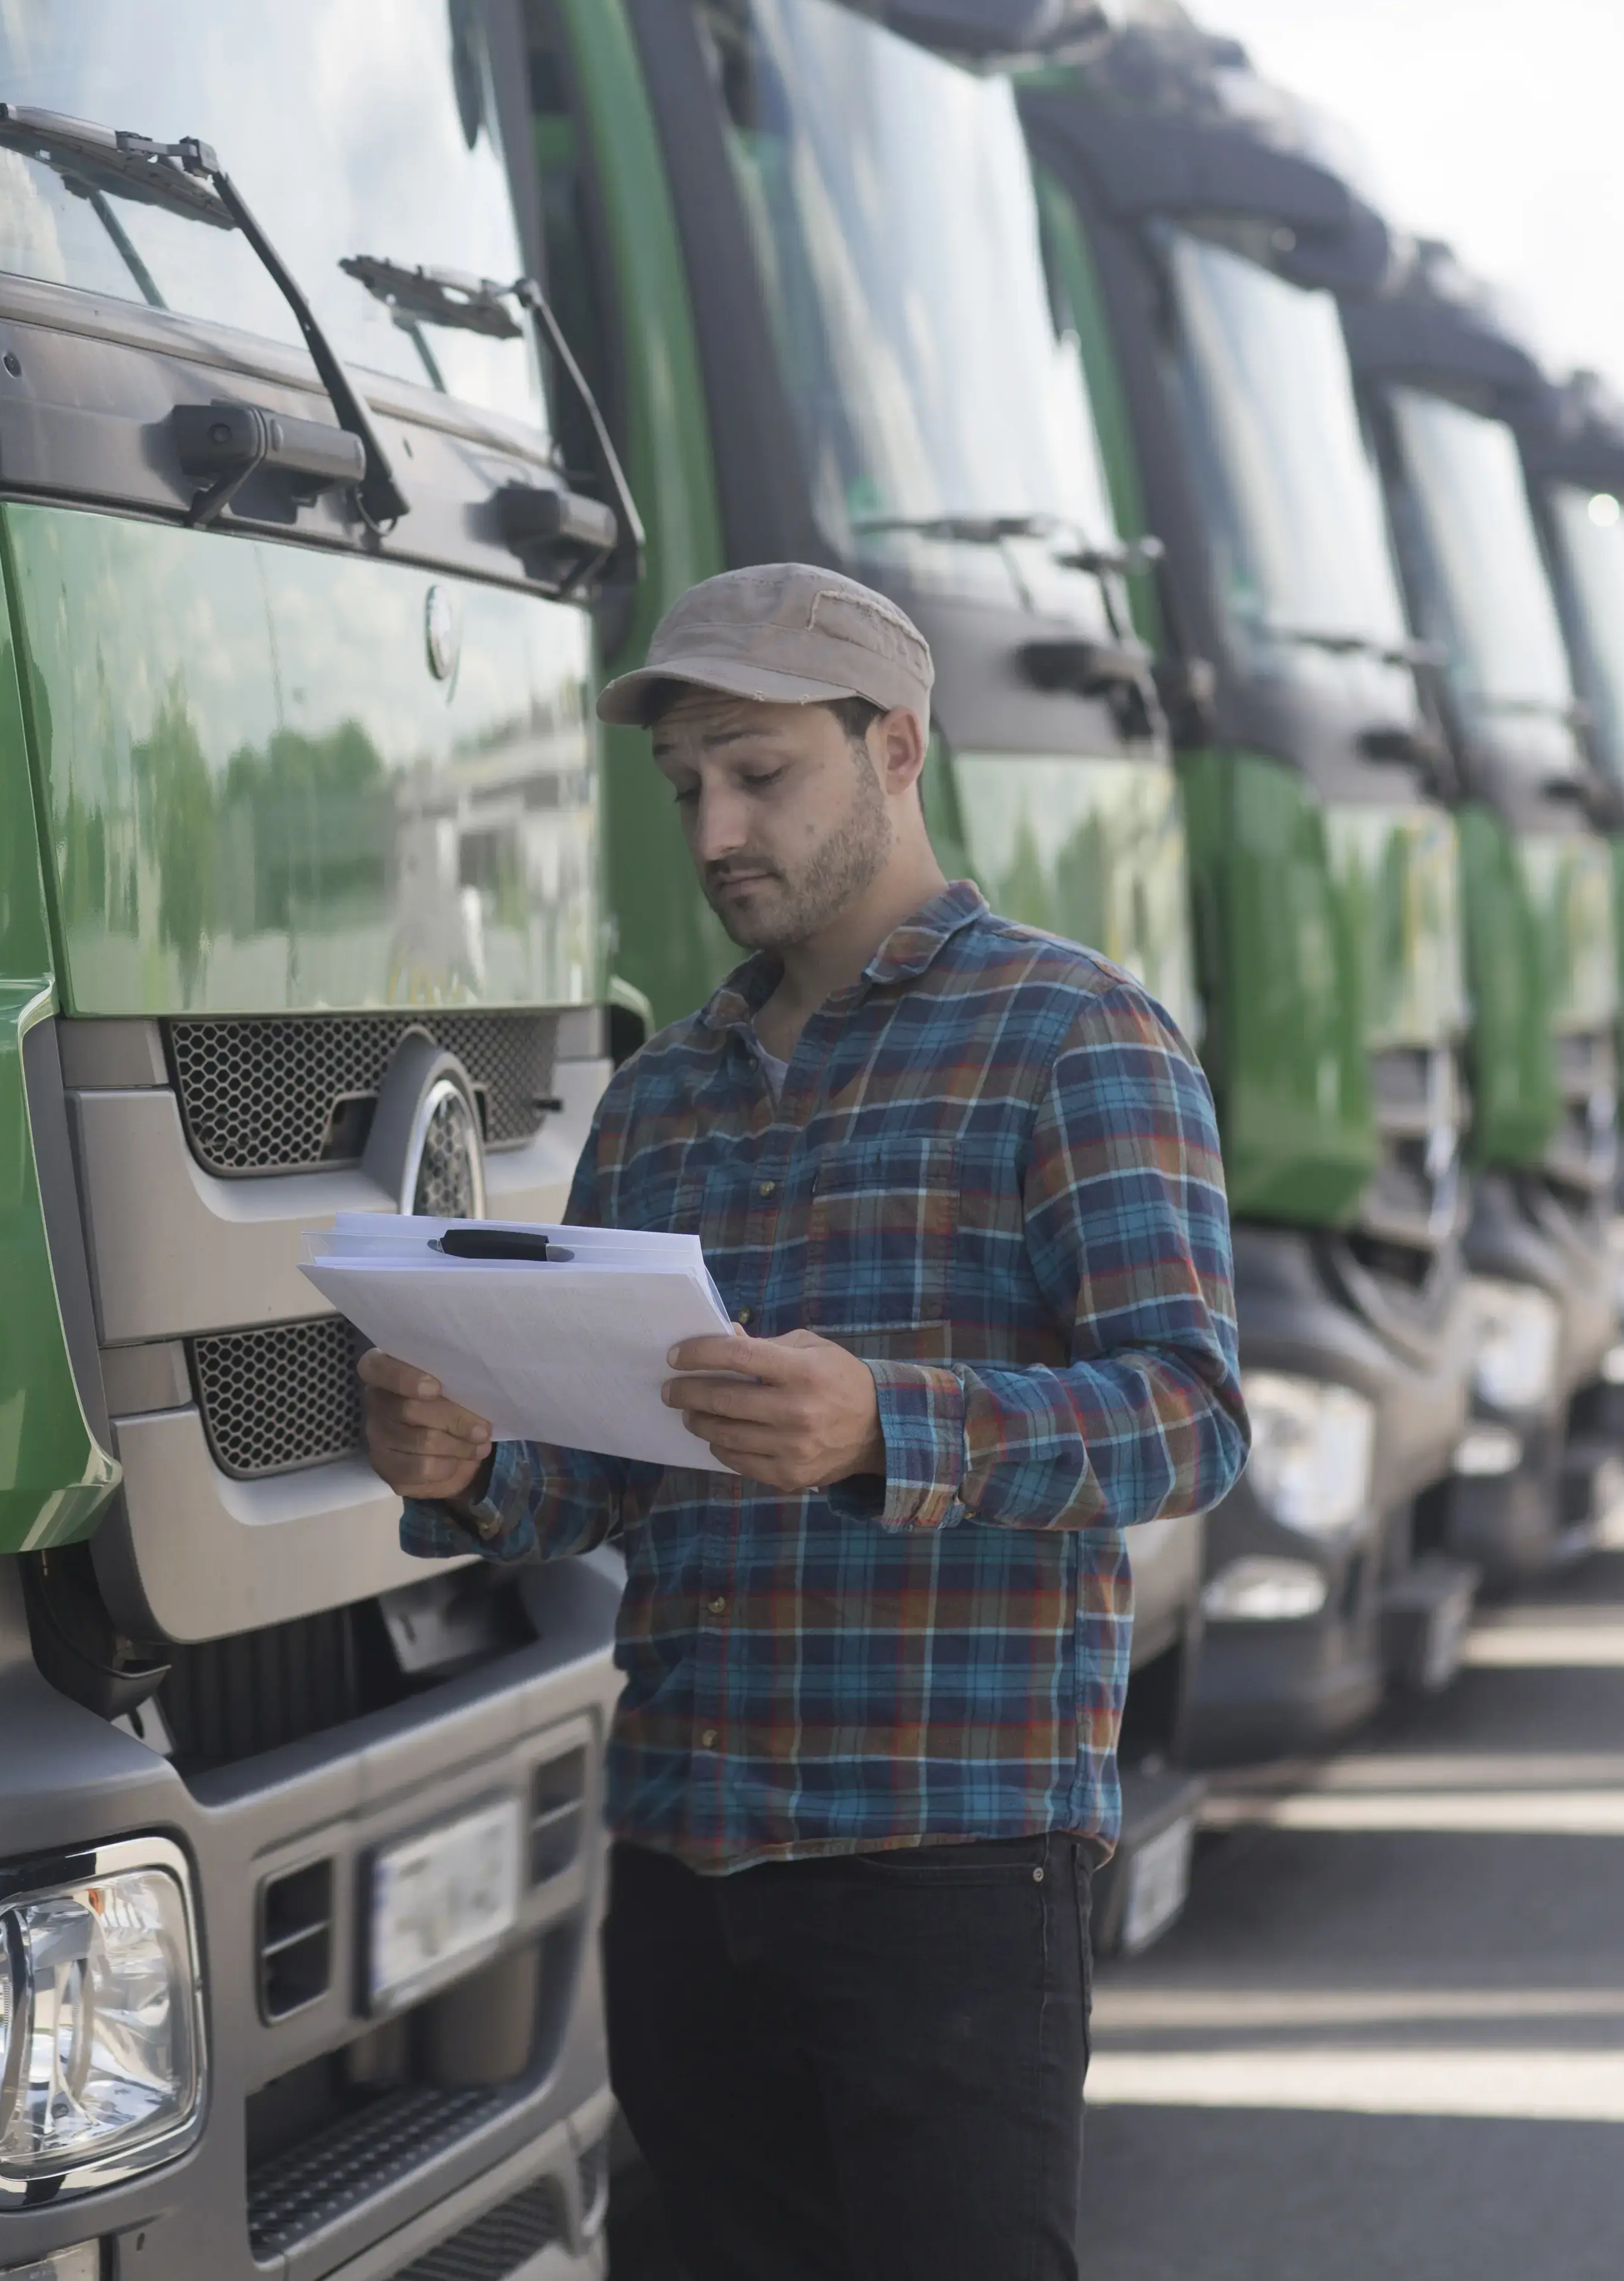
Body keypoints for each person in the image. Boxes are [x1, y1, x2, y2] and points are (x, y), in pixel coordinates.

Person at [361, 562, 1243, 2280]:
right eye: (689, 783)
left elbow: (1189, 1420)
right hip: (687, 1858)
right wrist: (475, 1469)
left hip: (952, 1862)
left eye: (761, 772)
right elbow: (620, 1468)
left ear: (895, 747)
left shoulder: (1075, 1037)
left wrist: (880, 1431)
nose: (715, 827)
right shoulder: (671, 1090)